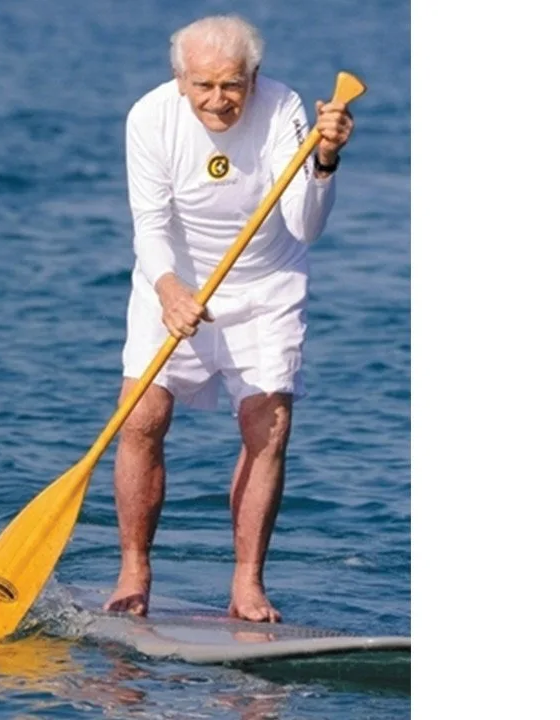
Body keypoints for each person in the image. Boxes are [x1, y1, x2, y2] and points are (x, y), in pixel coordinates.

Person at [105, 14, 354, 622]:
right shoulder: (150, 117)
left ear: (254, 76)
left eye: (232, 85)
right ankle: (134, 571)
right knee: (140, 417)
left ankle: (247, 584)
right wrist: (169, 290)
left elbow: (305, 226)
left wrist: (323, 161)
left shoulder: (284, 109)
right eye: (204, 86)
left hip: (266, 285)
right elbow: (150, 225)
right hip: (173, 281)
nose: (219, 100)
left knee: (267, 426)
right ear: (180, 80)